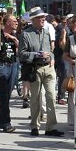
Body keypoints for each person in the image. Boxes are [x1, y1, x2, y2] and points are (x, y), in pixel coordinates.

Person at [20, 7, 63, 137]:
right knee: (36, 99)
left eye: (43, 17)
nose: (43, 19)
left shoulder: (47, 31)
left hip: (48, 68)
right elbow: (21, 54)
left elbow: (50, 49)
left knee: (51, 97)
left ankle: (51, 127)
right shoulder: (26, 34)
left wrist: (51, 57)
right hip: (35, 68)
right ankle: (34, 126)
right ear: (33, 20)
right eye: (40, 17)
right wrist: (36, 55)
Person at [0, 14, 19, 133]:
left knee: (7, 95)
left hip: (13, 64)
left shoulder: (14, 35)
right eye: (14, 21)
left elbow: (18, 51)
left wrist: (15, 40)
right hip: (1, 65)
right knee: (3, 95)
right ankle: (6, 122)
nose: (16, 23)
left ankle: (0, 120)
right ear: (7, 22)